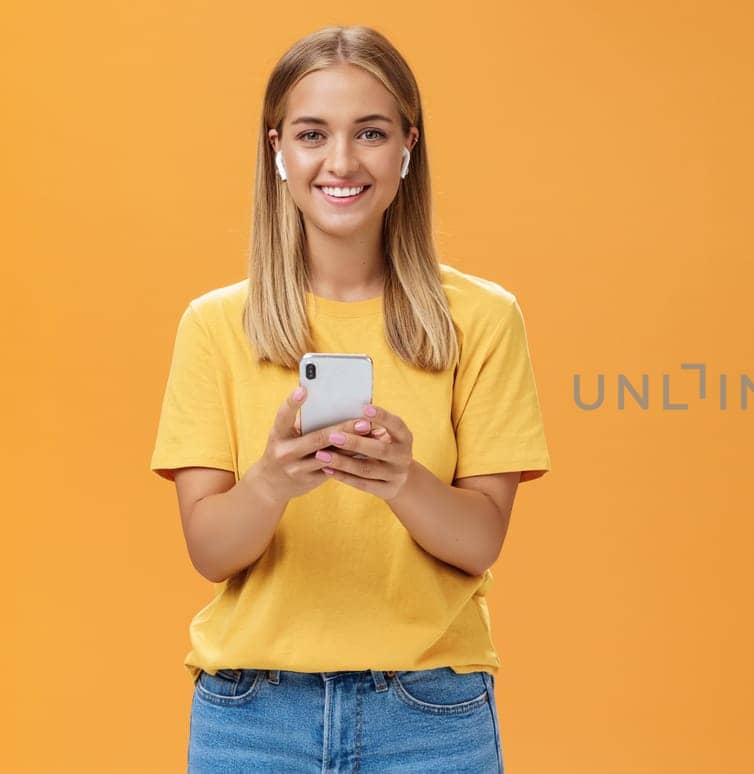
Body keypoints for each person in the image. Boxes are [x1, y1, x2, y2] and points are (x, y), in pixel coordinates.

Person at [148, 25, 551, 773]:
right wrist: (271, 480)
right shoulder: (213, 326)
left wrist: (401, 478)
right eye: (312, 134)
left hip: (431, 716)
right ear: (277, 150)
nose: (341, 161)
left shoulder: (484, 320)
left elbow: (479, 542)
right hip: (252, 719)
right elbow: (210, 552)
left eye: (370, 132)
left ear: (407, 147)